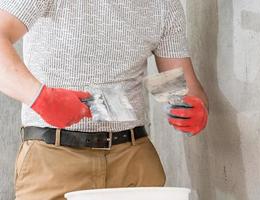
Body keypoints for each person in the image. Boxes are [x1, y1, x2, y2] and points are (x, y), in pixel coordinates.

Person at [0, 0, 209, 199]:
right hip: (53, 158)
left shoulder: (163, 6)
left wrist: (194, 108)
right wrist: (43, 99)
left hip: (132, 160)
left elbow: (180, 89)